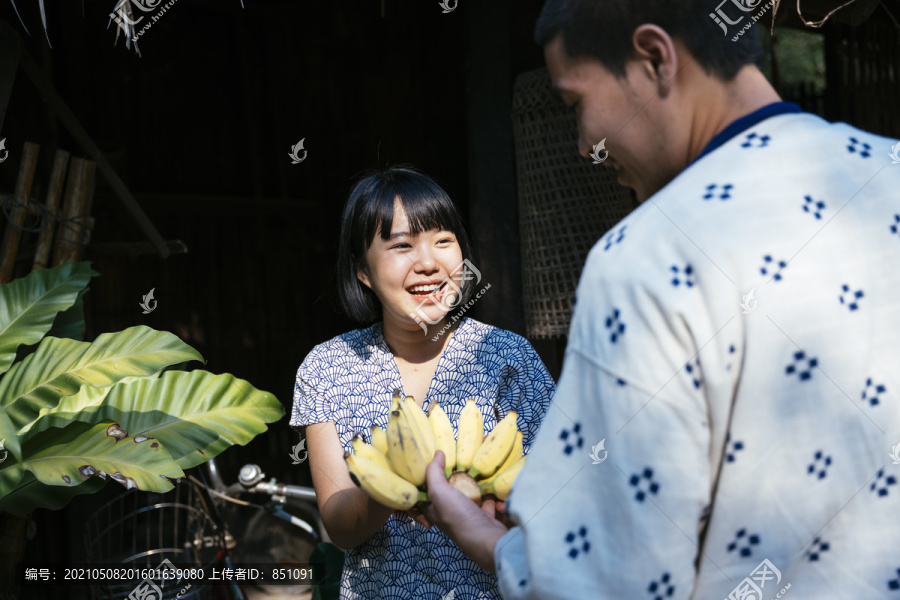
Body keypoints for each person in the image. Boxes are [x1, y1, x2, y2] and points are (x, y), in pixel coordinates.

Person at [423, 1, 900, 598]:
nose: (581, 145)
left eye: (575, 104)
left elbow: (605, 582)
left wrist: (493, 545)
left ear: (655, 58)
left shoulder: (647, 257)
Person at [290, 166, 556, 600]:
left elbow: (563, 492)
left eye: (443, 241)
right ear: (362, 271)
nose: (429, 263)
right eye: (401, 245)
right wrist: (392, 486)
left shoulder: (508, 357)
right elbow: (339, 525)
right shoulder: (326, 367)